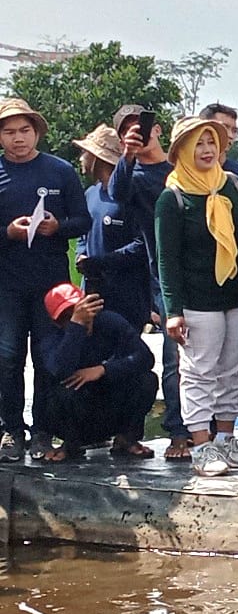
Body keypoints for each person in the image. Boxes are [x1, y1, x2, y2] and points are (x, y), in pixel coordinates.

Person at [154, 116, 238, 477]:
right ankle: (201, 445)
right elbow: (166, 259)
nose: (207, 150)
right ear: (182, 149)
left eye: (211, 142)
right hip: (198, 301)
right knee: (198, 372)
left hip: (237, 295)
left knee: (231, 370)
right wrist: (172, 311)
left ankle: (225, 439)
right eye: (198, 143)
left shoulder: (232, 186)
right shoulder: (173, 197)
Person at [0, 98, 92, 463]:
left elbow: (82, 221)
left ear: (36, 132)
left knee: (47, 358)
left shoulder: (60, 171)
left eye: (24, 130)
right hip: (6, 284)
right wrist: (7, 232)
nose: (18, 138)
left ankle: (43, 430)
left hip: (51, 286)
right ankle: (10, 430)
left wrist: (57, 228)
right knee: (7, 359)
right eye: (9, 132)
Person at [106, 102, 189, 459]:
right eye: (128, 129)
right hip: (164, 278)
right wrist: (127, 155)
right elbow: (116, 196)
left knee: (214, 360)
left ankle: (214, 430)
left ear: (158, 128)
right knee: (174, 359)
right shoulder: (132, 176)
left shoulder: (182, 167)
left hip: (204, 271)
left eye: (142, 126)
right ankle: (178, 432)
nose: (138, 132)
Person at [38, 283, 157, 460]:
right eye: (68, 315)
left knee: (148, 379)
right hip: (75, 408)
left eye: (80, 311)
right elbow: (60, 370)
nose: (81, 317)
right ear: (57, 321)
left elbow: (145, 358)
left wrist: (104, 369)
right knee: (63, 393)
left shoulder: (110, 321)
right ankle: (71, 444)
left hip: (110, 403)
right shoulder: (50, 336)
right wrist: (75, 328)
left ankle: (127, 437)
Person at [202, 102, 238, 442]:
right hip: (202, 281)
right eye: (218, 128)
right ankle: (202, 426)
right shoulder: (181, 178)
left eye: (232, 130)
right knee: (202, 363)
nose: (225, 136)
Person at [74, 124, 152, 336]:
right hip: (93, 291)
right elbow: (84, 232)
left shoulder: (132, 196)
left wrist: (102, 261)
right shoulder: (90, 193)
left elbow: (141, 245)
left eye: (85, 153)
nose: (81, 158)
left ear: (97, 158)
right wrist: (82, 253)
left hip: (127, 294)